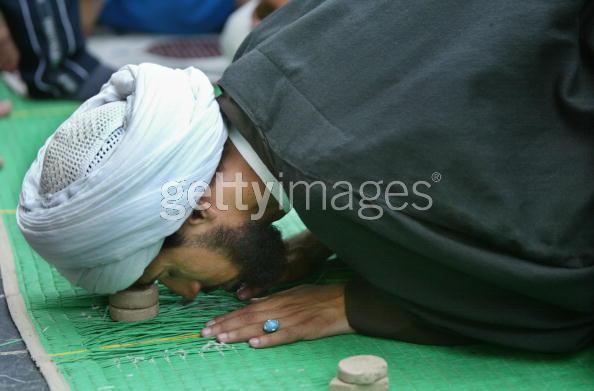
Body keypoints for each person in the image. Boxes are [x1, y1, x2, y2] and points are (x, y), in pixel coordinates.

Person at [17, 0, 594, 354]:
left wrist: (360, 302)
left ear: (194, 207)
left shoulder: (357, 185)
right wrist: (337, 236)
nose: (190, 293)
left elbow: (561, 293)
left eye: (168, 271)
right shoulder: (261, 54)